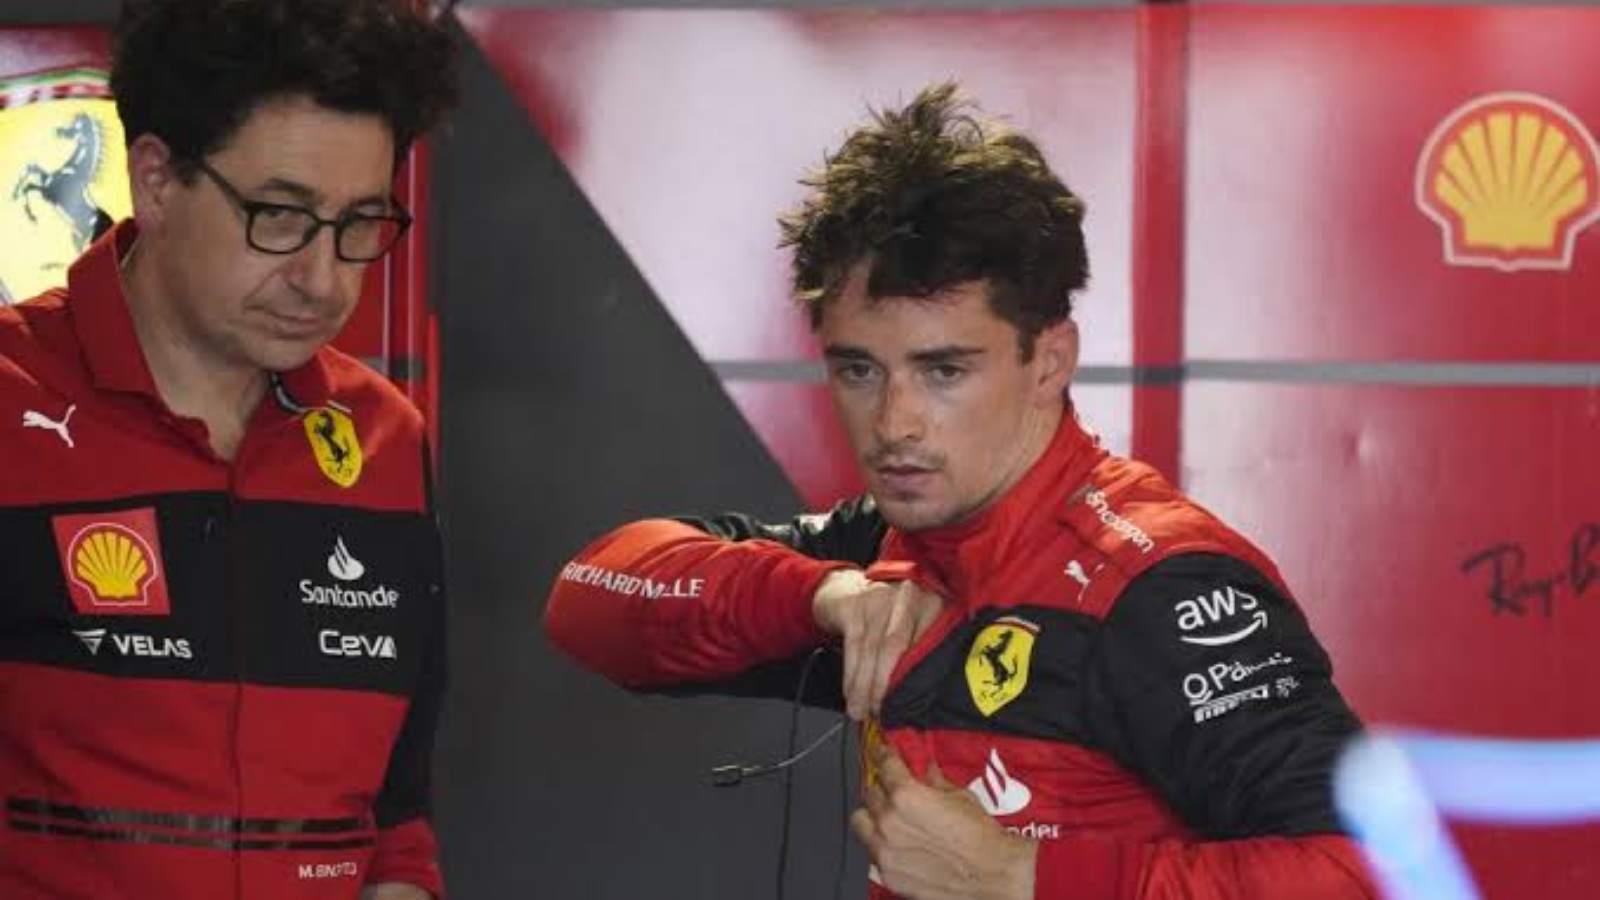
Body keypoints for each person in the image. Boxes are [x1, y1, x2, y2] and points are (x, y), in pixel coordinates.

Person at [544, 83, 1378, 899]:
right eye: (861, 371)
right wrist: (817, 597)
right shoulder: (886, 558)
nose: (894, 423)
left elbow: (1371, 873)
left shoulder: (1156, 587)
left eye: (944, 371)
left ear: (1048, 360)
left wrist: (1025, 882)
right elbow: (588, 602)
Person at [0, 2, 456, 898]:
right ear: (158, 180)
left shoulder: (385, 439)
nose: (323, 279)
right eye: (279, 217)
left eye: (360, 222)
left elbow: (392, 823)